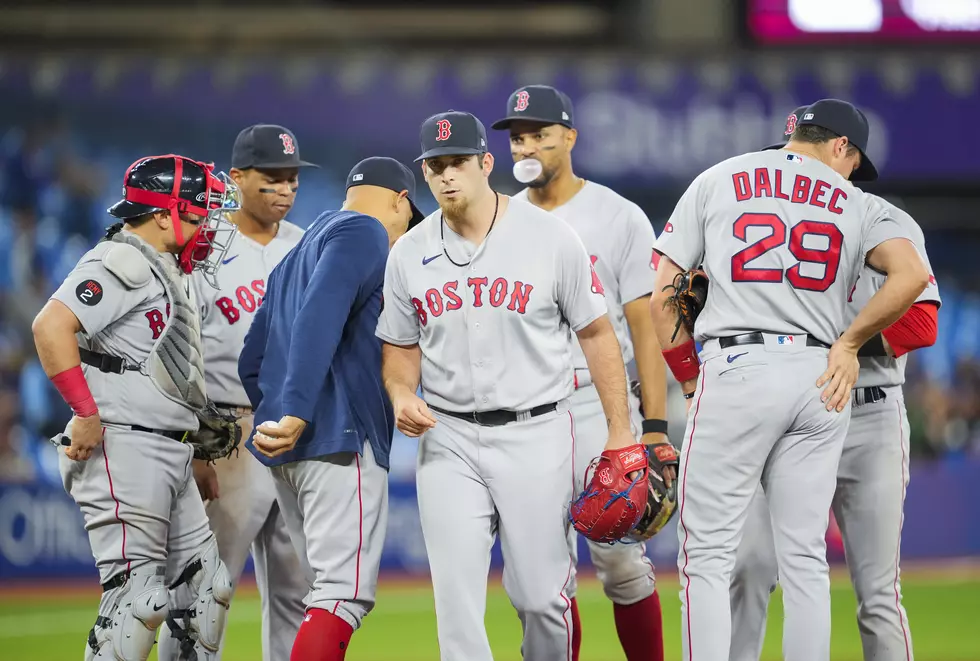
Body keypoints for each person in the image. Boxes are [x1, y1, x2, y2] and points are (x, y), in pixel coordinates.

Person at [648, 98, 930, 661]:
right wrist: (848, 343)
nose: (852, 171)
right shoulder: (855, 201)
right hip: (820, 377)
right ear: (840, 146)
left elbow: (663, 296)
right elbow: (914, 275)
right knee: (804, 559)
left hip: (738, 364)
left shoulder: (720, 178)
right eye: (854, 160)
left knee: (705, 556)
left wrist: (686, 380)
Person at [376, 109, 642, 661]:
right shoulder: (407, 253)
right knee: (455, 605)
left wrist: (621, 430)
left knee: (543, 599)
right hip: (447, 438)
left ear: (486, 163)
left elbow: (597, 333)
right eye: (434, 166)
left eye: (458, 163)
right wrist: (402, 393)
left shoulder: (549, 237)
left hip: (538, 432)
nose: (446, 176)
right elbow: (400, 346)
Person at [727, 106, 941, 661]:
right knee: (748, 571)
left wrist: (827, 344)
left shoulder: (881, 218)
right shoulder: (752, 221)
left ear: (844, 154)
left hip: (868, 415)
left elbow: (921, 323)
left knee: (876, 594)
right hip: (783, 415)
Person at [31, 154, 240, 660]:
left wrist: (195, 454)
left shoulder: (166, 267)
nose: (207, 224)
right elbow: (50, 326)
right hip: (124, 445)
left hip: (165, 448)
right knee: (136, 602)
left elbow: (168, 375)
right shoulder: (121, 260)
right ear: (162, 213)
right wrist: (84, 411)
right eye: (196, 212)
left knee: (206, 590)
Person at [491, 84, 673, 661]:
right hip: (528, 412)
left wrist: (655, 426)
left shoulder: (617, 216)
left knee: (621, 561)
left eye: (541, 134)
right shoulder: (498, 219)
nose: (529, 146)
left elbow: (645, 328)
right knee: (541, 580)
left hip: (601, 406)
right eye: (519, 136)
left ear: (569, 137)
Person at [238, 156, 423, 661]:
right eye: (410, 218)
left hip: (291, 454)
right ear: (400, 202)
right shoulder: (365, 233)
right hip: (340, 440)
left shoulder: (297, 250)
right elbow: (321, 311)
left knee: (320, 596)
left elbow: (250, 360)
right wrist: (298, 409)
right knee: (342, 593)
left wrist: (277, 412)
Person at [158, 125, 315, 661]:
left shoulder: (309, 244)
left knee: (299, 592)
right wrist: (196, 444)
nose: (286, 190)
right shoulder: (202, 251)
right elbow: (176, 357)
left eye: (292, 179)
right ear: (237, 179)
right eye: (272, 179)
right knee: (203, 588)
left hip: (296, 433)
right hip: (225, 431)